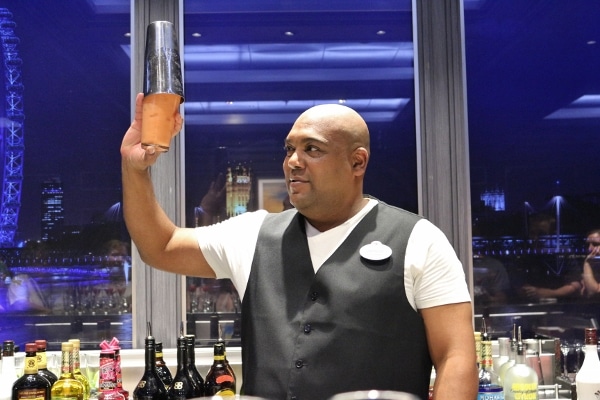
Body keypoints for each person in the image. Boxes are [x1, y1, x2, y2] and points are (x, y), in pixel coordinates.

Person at [121, 93, 478, 400]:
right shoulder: (254, 234)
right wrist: (135, 168)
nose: (293, 161)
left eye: (312, 149)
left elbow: (456, 358)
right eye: (290, 148)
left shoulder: (420, 240)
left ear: (357, 162)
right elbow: (161, 245)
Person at [580, 229, 600, 297]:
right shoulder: (594, 265)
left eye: (595, 244)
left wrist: (587, 263)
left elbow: (593, 292)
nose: (589, 249)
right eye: (588, 245)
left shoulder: (588, 263)